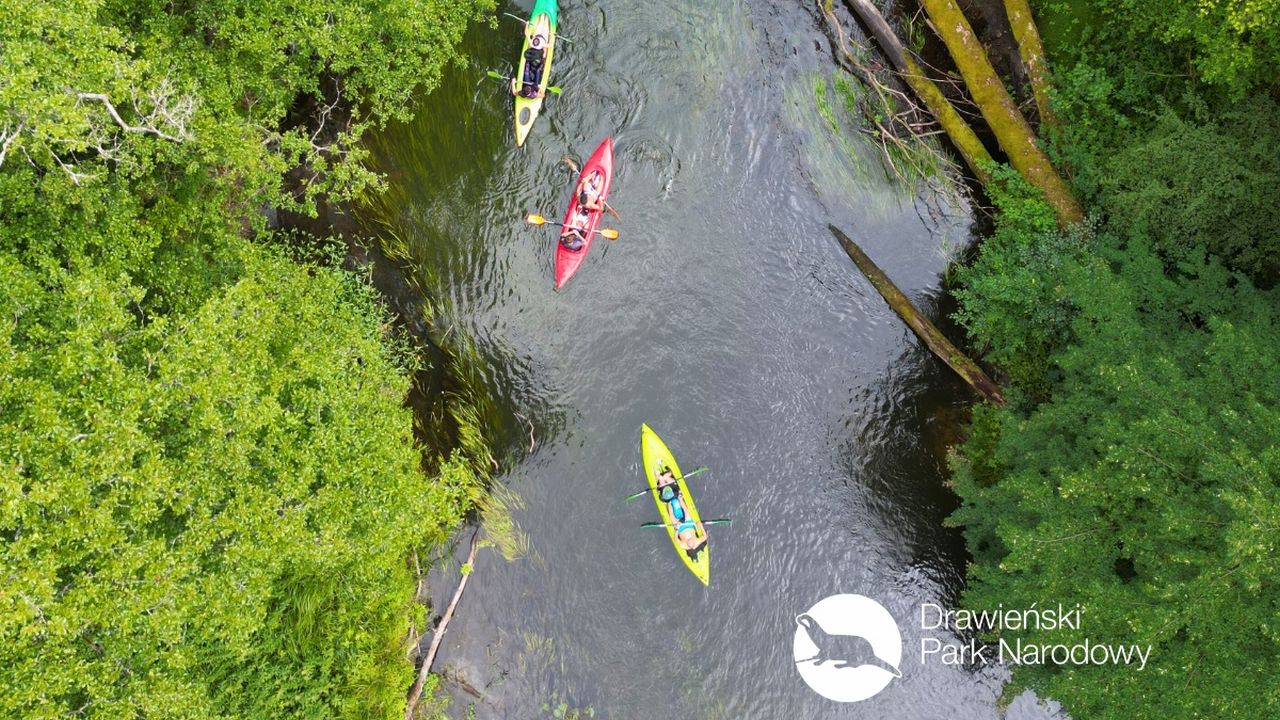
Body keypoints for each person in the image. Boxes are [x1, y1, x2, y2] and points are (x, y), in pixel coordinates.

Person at [655, 468, 706, 554]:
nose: (690, 539)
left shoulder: (684, 545)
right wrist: (700, 526)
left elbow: (676, 539)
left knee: (673, 518)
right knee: (687, 514)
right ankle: (666, 477)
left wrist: (677, 529)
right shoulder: (697, 541)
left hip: (680, 528)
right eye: (691, 539)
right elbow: (704, 537)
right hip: (689, 524)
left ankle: (660, 479)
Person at [512, 34, 547, 99]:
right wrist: (539, 89)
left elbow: (514, 93)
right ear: (529, 92)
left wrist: (513, 83)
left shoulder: (521, 93)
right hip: (535, 86)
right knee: (538, 71)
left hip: (527, 83)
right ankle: (543, 61)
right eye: (529, 88)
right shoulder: (534, 94)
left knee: (526, 72)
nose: (529, 88)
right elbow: (543, 96)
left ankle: (528, 61)